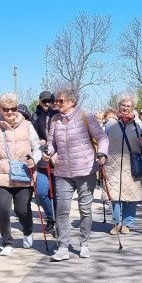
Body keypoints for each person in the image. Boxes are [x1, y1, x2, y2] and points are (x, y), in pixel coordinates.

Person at [45, 83, 109, 261]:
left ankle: (84, 244)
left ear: (72, 101)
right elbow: (52, 143)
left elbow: (102, 137)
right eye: (55, 100)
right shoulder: (55, 119)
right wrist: (48, 152)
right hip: (62, 171)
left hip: (85, 169)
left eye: (60, 100)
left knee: (85, 209)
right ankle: (63, 247)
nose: (56, 103)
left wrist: (102, 153)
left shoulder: (85, 116)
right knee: (62, 210)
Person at [0, 93, 41, 256]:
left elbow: (37, 148)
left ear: (17, 108)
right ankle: (7, 242)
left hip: (23, 173)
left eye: (13, 108)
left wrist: (34, 160)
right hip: (1, 173)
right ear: (0, 110)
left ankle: (28, 230)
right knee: (2, 208)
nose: (10, 112)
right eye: (5, 109)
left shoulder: (28, 126)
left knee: (22, 209)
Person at [104, 93, 142, 234]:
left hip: (132, 164)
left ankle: (127, 223)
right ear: (119, 105)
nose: (126, 108)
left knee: (131, 195)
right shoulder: (111, 123)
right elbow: (104, 141)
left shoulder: (138, 124)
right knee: (114, 194)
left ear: (133, 107)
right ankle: (116, 223)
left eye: (129, 106)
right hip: (113, 164)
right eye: (123, 105)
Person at [31, 91, 59, 235]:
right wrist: (39, 141)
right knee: (41, 193)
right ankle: (51, 217)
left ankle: (59, 224)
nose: (47, 104)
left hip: (59, 162)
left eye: (50, 101)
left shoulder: (61, 117)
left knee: (57, 195)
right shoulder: (38, 118)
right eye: (44, 101)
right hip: (43, 161)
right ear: (40, 102)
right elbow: (33, 138)